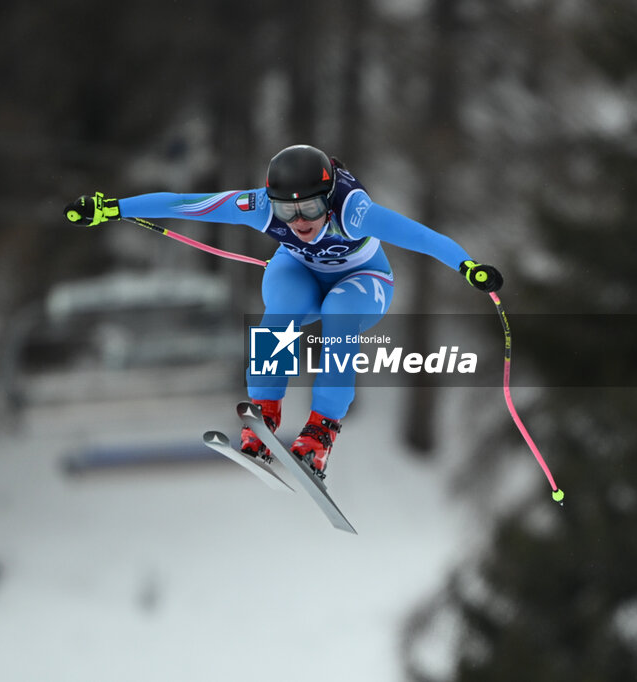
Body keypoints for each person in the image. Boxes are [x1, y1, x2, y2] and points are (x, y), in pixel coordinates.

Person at [65, 145, 502, 479]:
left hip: (363, 281)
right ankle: (264, 411)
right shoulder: (258, 206)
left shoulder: (353, 211)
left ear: (327, 199)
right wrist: (112, 209)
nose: (299, 221)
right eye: (286, 210)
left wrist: (469, 267)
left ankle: (321, 430)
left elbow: (421, 237)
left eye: (310, 208)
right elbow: (183, 203)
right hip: (300, 273)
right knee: (282, 309)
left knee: (339, 314)